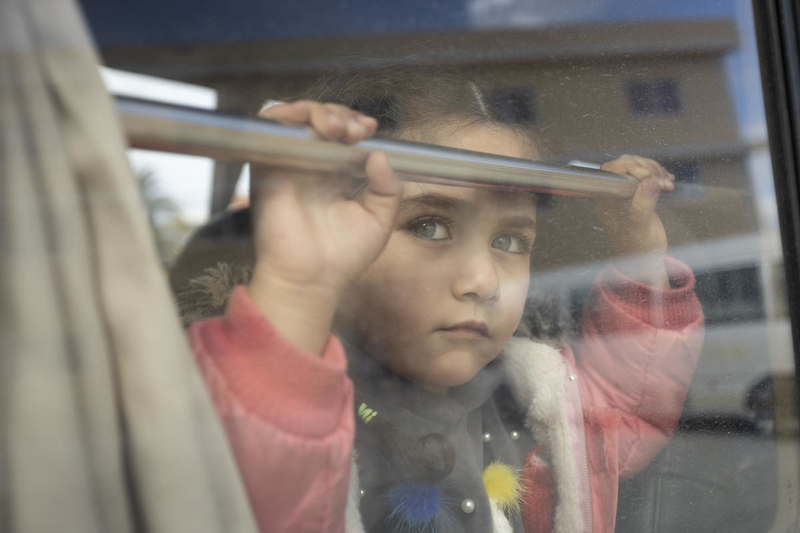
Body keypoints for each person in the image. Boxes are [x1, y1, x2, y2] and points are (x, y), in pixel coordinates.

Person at [183, 69, 704, 533]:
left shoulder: (533, 395)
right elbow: (250, 483)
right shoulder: (289, 406)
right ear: (328, 233)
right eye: (429, 225)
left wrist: (639, 250)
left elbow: (631, 407)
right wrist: (297, 290)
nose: (483, 280)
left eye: (510, 241)